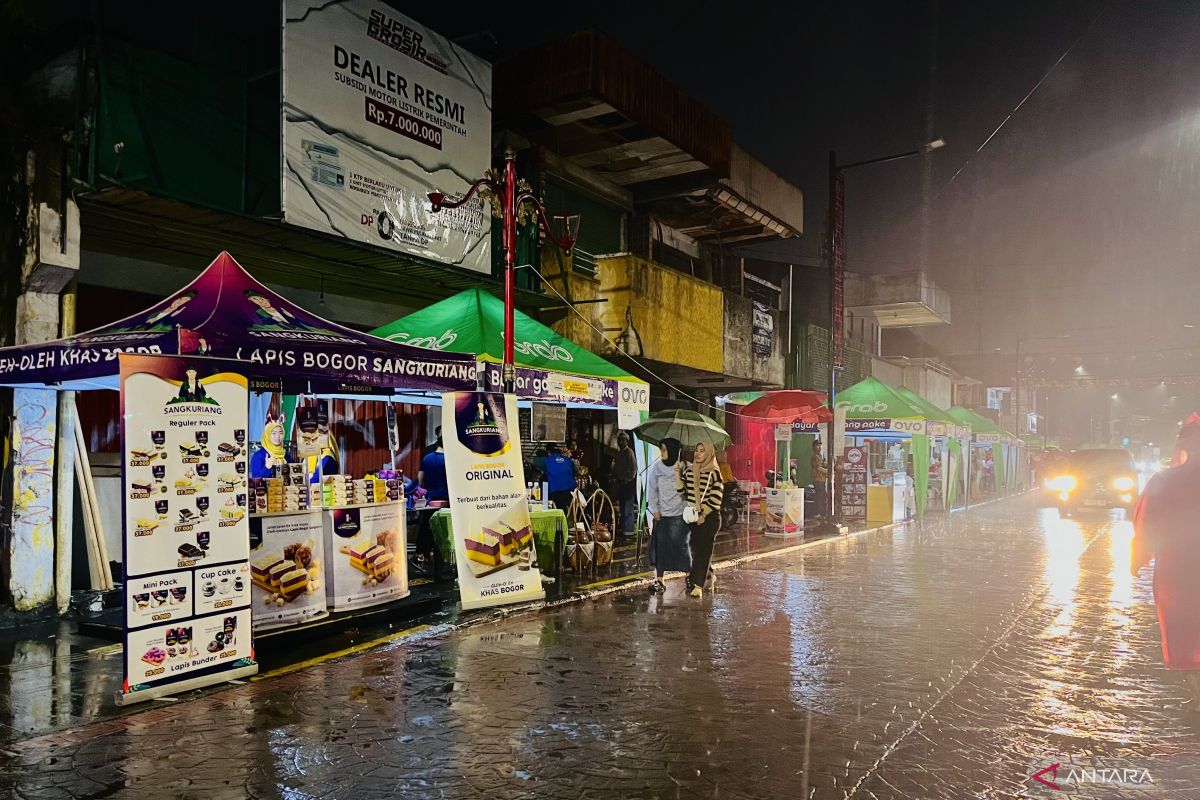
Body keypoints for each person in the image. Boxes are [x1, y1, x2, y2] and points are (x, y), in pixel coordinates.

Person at [1133, 415, 1200, 711]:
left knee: (1184, 629)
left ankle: (1196, 691)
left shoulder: (1164, 480)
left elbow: (1146, 525)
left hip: (1178, 570)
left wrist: (1139, 557)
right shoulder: (1163, 480)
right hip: (1179, 568)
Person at [678, 440, 724, 599]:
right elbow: (683, 492)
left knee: (703, 552)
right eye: (696, 450)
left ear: (709, 453)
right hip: (693, 518)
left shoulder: (715, 473)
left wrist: (703, 515)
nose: (697, 453)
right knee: (695, 550)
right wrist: (678, 475)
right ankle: (710, 576)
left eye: (702, 450)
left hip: (709, 518)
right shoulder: (689, 471)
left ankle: (697, 585)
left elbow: (717, 497)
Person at [646, 438, 689, 594]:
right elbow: (652, 489)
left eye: (664, 449)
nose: (662, 453)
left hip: (680, 515)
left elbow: (690, 488)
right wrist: (655, 509)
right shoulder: (657, 468)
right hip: (662, 515)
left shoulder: (684, 467)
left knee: (683, 547)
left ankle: (689, 577)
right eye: (661, 449)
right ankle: (659, 580)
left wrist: (680, 473)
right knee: (661, 548)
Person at [415, 437, 449, 562]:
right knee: (444, 530)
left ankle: (423, 553)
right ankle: (441, 558)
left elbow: (419, 480)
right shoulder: (449, 460)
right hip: (446, 500)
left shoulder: (427, 458)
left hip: (429, 500)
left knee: (426, 527)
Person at [613, 432, 638, 536]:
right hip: (620, 483)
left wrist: (627, 480)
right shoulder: (619, 453)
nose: (621, 442)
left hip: (627, 484)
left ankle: (628, 530)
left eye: (623, 440)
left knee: (628, 507)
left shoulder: (629, 452)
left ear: (627, 441)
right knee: (622, 507)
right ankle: (624, 528)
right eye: (619, 440)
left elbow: (633, 469)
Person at [250, 414, 287, 479]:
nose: (277, 437)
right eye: (274, 433)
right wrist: (267, 467)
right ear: (267, 434)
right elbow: (255, 481)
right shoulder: (259, 456)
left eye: (280, 433)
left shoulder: (285, 455)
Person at [543, 444, 578, 512]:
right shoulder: (568, 460)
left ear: (548, 452)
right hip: (571, 492)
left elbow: (531, 461)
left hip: (556, 493)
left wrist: (522, 455)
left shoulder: (546, 460)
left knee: (559, 511)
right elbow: (575, 471)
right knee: (570, 511)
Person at [810, 439, 829, 521]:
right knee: (820, 497)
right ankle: (820, 514)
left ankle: (818, 513)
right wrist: (827, 471)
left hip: (822, 479)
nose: (819, 447)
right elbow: (818, 468)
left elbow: (822, 465)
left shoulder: (819, 455)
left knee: (820, 496)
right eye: (817, 445)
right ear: (814, 446)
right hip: (818, 479)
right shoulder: (815, 456)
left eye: (820, 445)